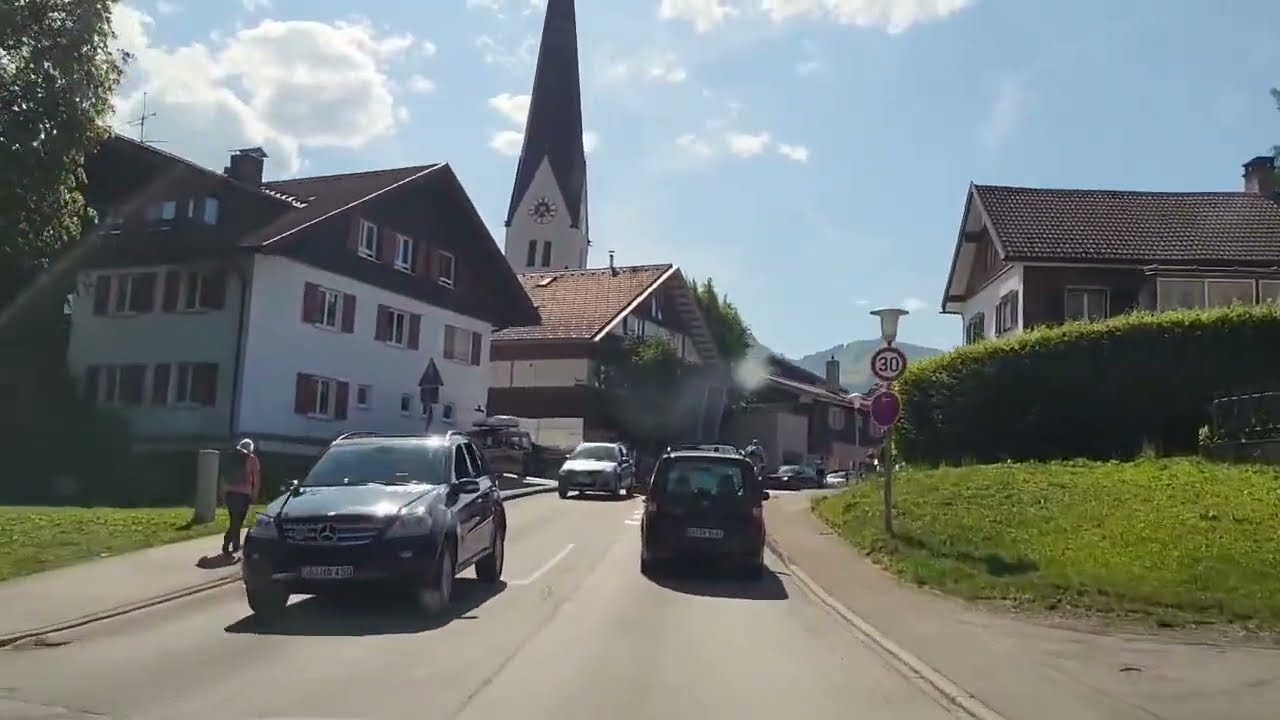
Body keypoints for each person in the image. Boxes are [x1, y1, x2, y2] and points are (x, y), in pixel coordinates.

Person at [222, 438, 260, 556]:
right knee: (239, 520)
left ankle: (234, 544)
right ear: (251, 448)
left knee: (234, 519)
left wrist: (222, 493)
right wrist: (255, 493)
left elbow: (223, 476)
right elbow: (257, 478)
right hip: (244, 494)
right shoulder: (252, 458)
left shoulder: (230, 457)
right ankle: (230, 542)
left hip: (230, 493)